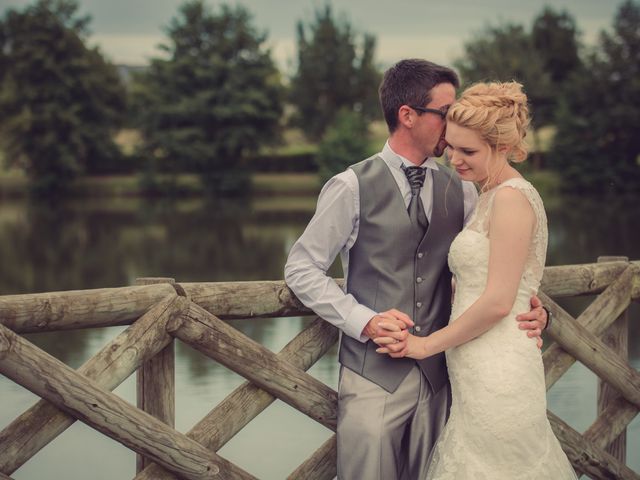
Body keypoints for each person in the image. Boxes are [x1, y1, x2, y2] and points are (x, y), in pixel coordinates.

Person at [284, 59, 548, 480]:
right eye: (445, 113)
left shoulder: (463, 189)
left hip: (443, 376)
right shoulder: (350, 185)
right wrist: (364, 322)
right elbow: (301, 269)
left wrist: (536, 310)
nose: (454, 124)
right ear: (408, 115)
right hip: (373, 373)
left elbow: (495, 266)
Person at [374, 81, 576, 479]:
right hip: (473, 369)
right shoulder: (487, 194)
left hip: (500, 369)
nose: (454, 159)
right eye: (451, 147)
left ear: (502, 147)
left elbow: (501, 300)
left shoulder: (512, 199)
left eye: (468, 151)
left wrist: (424, 345)